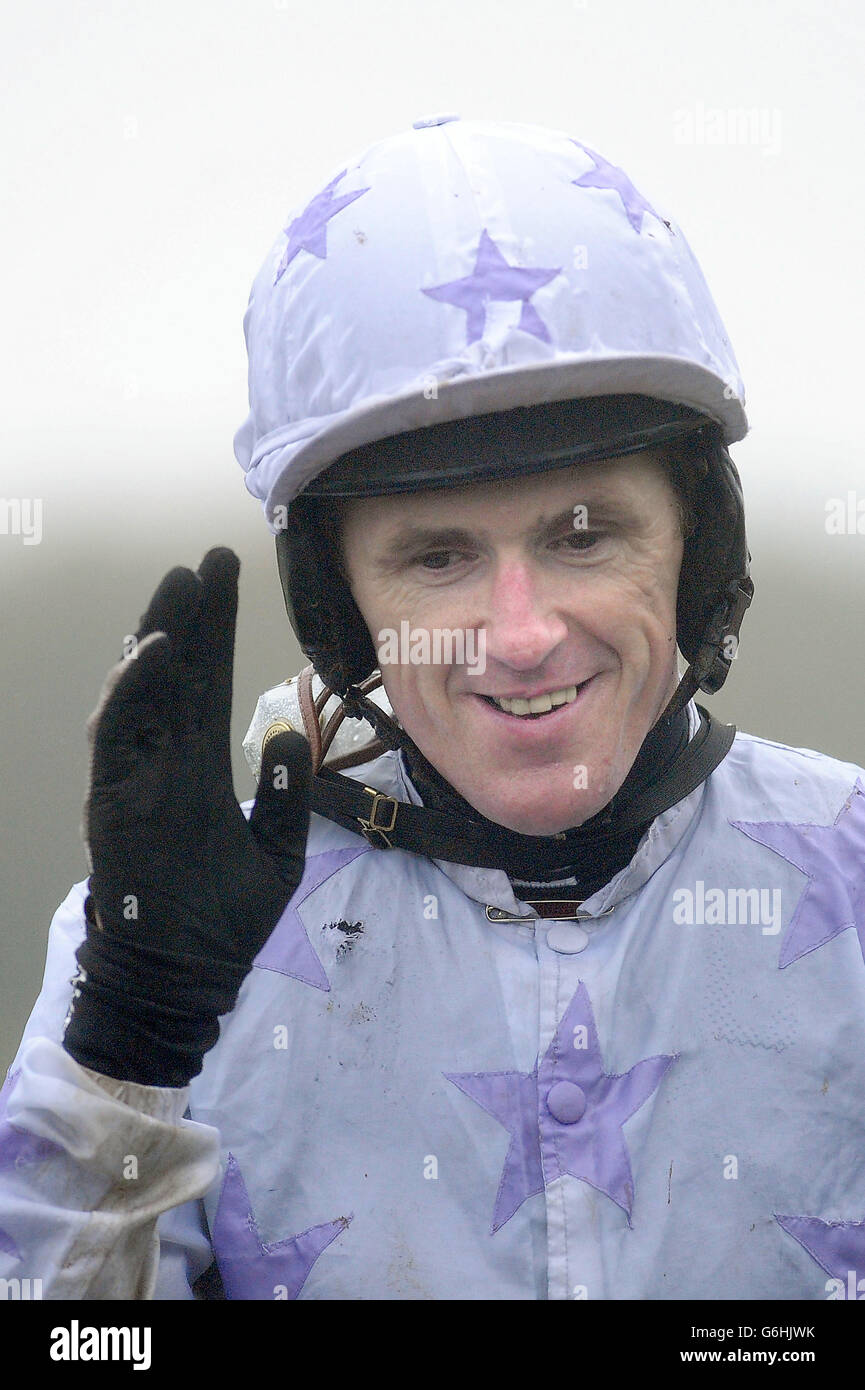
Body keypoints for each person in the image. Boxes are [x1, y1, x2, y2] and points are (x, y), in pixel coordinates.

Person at [2, 116, 864, 1302]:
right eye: (437, 556)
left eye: (582, 534)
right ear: (341, 609)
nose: (518, 635)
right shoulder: (157, 950)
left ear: (695, 553)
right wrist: (132, 1051)